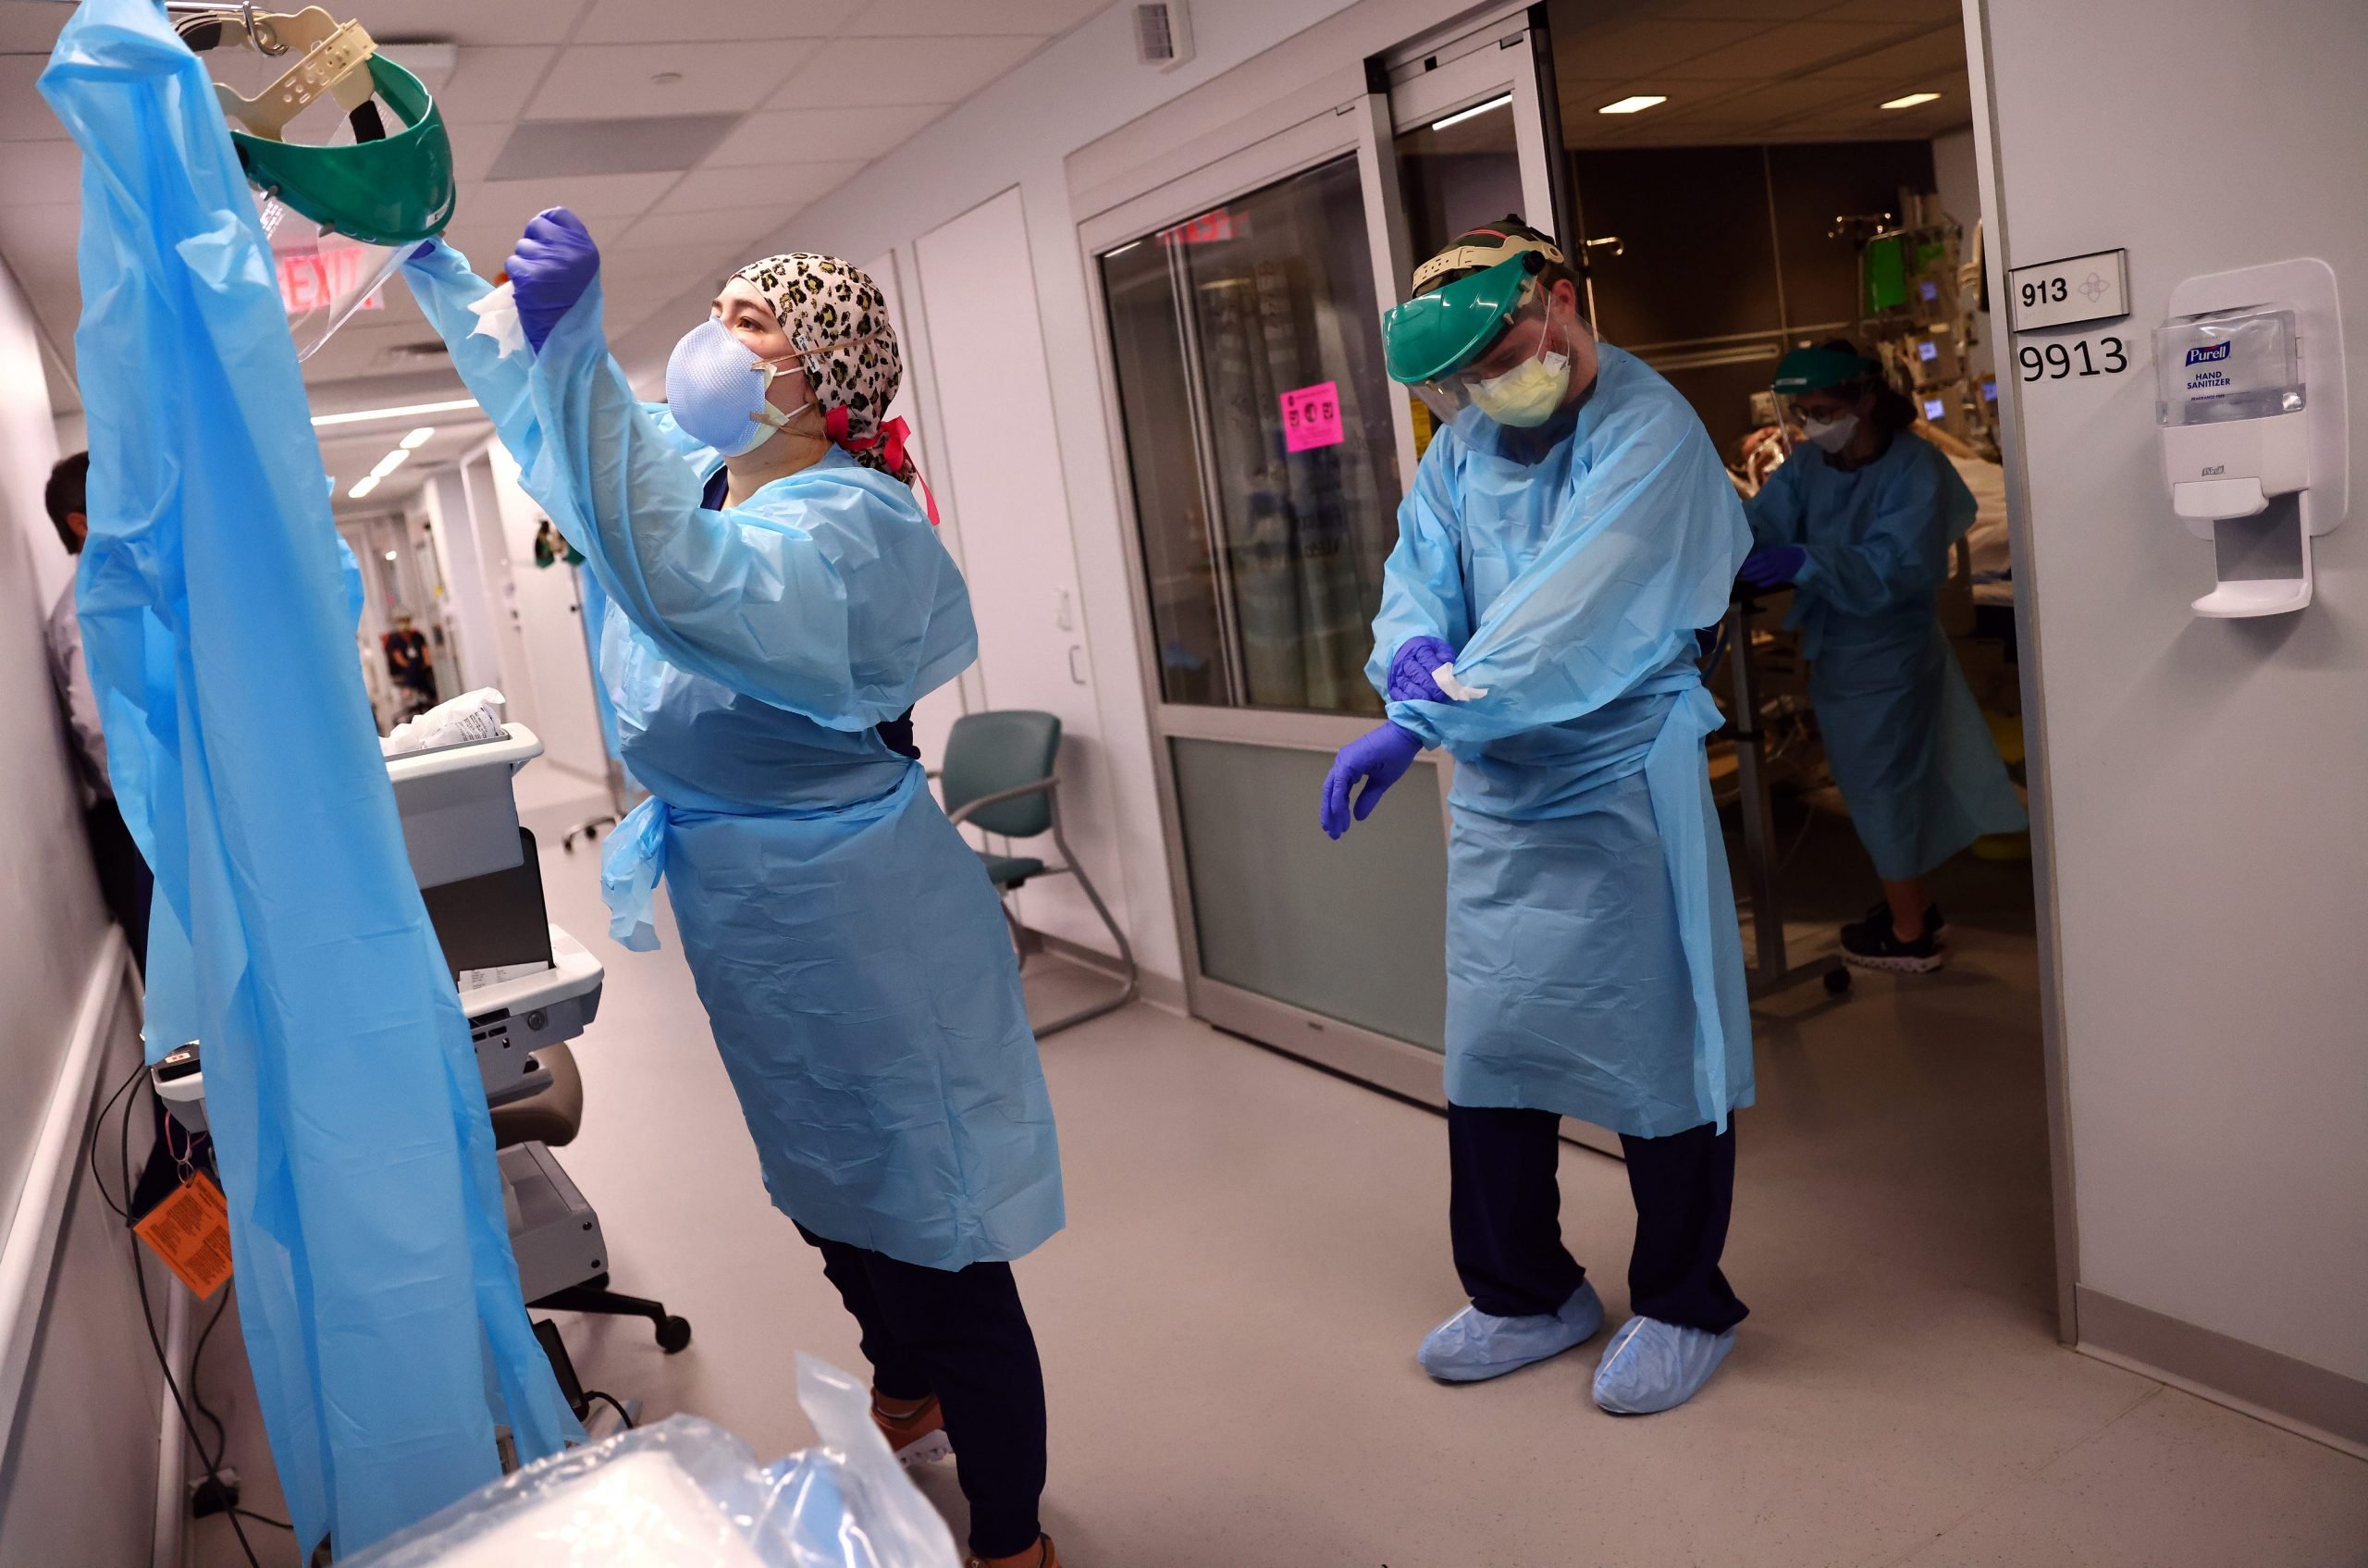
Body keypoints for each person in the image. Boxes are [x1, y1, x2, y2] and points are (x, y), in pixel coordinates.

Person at [402, 212, 1065, 1568]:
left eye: (756, 320)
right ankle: (905, 1374)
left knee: (932, 1219)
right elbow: (568, 445)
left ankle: (1010, 1533)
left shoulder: (852, 527)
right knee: (824, 1181)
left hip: (865, 914)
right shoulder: (716, 488)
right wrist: (431, 258)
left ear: (825, 375)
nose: (717, 337)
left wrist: (584, 341)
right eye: (717, 307)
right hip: (750, 908)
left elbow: (684, 588)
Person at [1321, 218, 1755, 1416]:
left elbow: (1567, 615)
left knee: (1661, 1060)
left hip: (1619, 787)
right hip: (1506, 797)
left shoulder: (1651, 436)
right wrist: (1410, 648)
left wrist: (1421, 717)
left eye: (1497, 349)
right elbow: (1424, 572)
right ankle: (1527, 1290)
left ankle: (1682, 1298)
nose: (1483, 387)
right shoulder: (1465, 447)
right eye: (1458, 377)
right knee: (1494, 1054)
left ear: (1559, 297)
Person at [1738, 343, 2028, 972]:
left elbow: (1898, 565)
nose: (1814, 423)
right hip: (1843, 651)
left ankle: (1908, 938)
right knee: (1886, 788)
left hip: (1890, 655)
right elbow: (1765, 519)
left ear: (1867, 398)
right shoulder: (1812, 465)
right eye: (1805, 413)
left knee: (1882, 793)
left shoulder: (1917, 468)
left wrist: (1809, 560)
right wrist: (1729, 540)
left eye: (1825, 409)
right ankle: (1914, 907)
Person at [43, 451, 152, 972]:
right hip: (137, 821)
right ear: (81, 524)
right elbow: (95, 726)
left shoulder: (120, 590)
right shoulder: (84, 612)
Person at [381, 608, 438, 716]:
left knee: (415, 662)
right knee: (413, 663)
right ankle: (431, 695)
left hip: (421, 668)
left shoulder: (417, 636)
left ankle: (409, 687)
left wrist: (422, 664)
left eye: (405, 620)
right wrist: (413, 666)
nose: (404, 624)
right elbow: (399, 660)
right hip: (404, 670)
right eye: (401, 621)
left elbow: (426, 654)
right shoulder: (394, 640)